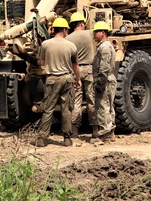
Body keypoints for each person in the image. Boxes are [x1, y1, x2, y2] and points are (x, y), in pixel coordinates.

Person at [33, 17, 81, 147]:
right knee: (67, 109)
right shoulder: (71, 46)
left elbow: (42, 62)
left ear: (53, 29)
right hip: (67, 79)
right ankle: (66, 139)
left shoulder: (45, 44)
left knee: (48, 109)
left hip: (52, 79)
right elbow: (75, 65)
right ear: (65, 30)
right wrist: (78, 80)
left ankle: (42, 139)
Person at [66, 12, 96, 136]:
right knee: (91, 99)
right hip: (89, 70)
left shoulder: (68, 38)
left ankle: (74, 131)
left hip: (75, 70)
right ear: (82, 24)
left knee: (76, 101)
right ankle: (95, 130)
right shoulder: (89, 34)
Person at [92, 21, 117, 142]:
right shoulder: (104, 45)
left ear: (102, 33)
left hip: (105, 79)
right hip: (107, 78)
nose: (94, 34)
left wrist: (100, 80)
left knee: (103, 106)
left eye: (95, 32)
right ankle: (110, 132)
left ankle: (104, 134)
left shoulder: (105, 47)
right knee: (109, 106)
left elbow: (105, 65)